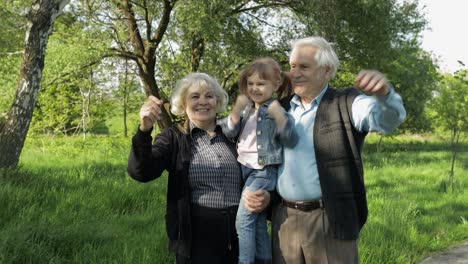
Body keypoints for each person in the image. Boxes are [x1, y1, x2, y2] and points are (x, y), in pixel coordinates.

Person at [271, 36, 407, 263]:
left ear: (326, 71)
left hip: (330, 218)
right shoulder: (279, 108)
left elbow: (386, 120)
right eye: (292, 66)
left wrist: (385, 95)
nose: (295, 73)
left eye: (304, 67)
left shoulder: (346, 102)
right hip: (283, 219)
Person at [127, 72, 269, 264]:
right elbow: (142, 172)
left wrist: (267, 198)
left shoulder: (234, 135)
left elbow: (262, 170)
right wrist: (144, 131)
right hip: (197, 240)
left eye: (209, 96)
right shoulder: (174, 137)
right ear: (183, 104)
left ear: (217, 102)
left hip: (240, 236)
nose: (203, 101)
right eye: (194, 96)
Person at [220, 58, 298, 264]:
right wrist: (236, 110)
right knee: (258, 222)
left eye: (261, 84)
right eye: (250, 83)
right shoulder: (247, 111)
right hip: (244, 170)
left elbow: (291, 139)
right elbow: (228, 132)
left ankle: (245, 261)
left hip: (263, 172)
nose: (255, 88)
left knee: (243, 221)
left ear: (276, 85)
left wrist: (279, 116)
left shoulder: (276, 111)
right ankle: (264, 259)